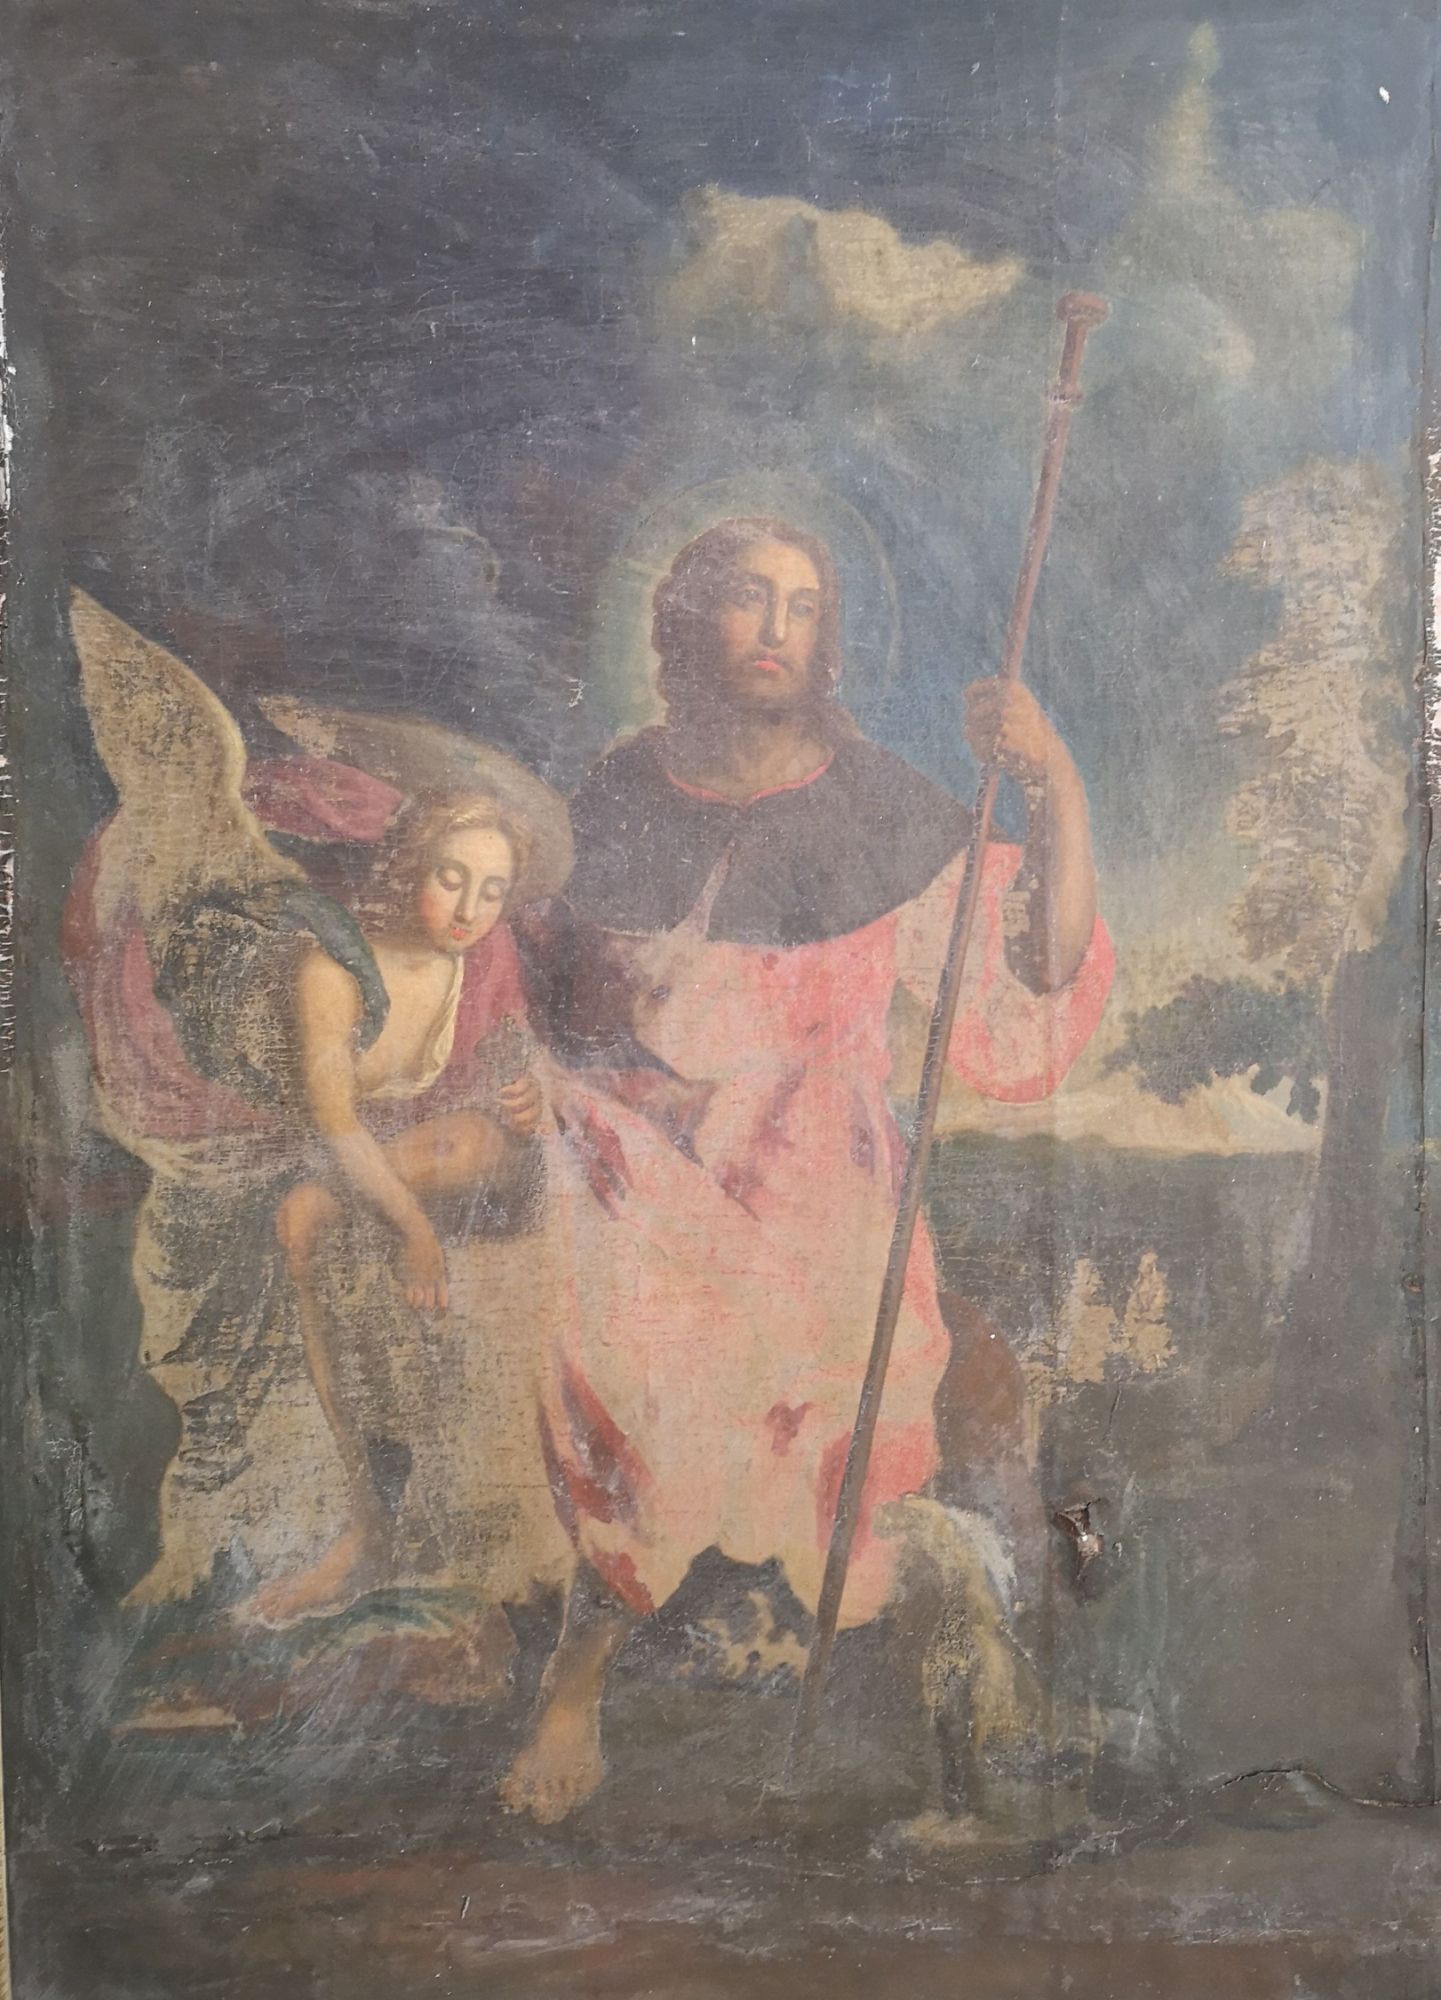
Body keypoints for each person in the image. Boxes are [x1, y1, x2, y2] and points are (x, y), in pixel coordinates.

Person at [502, 516, 1113, 1823]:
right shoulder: (613, 791)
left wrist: (1053, 778)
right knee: (635, 1390)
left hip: (820, 1181)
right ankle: (576, 1678)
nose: (774, 628)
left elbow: (1043, 970)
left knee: (851, 1405)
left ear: (826, 634)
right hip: (645, 1167)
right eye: (746, 598)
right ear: (688, 619)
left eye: (800, 604)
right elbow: (534, 984)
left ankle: (951, 1679)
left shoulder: (882, 806)